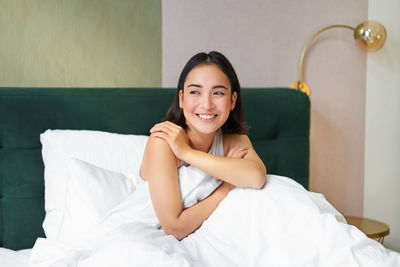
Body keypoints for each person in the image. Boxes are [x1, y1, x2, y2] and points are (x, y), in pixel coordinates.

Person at [140, 51, 267, 240]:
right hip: (142, 233)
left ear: (232, 100)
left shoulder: (232, 139)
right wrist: (225, 187)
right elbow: (174, 228)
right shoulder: (162, 141)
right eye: (195, 92)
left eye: (217, 93)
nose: (207, 105)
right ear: (181, 99)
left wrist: (187, 153)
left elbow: (256, 177)